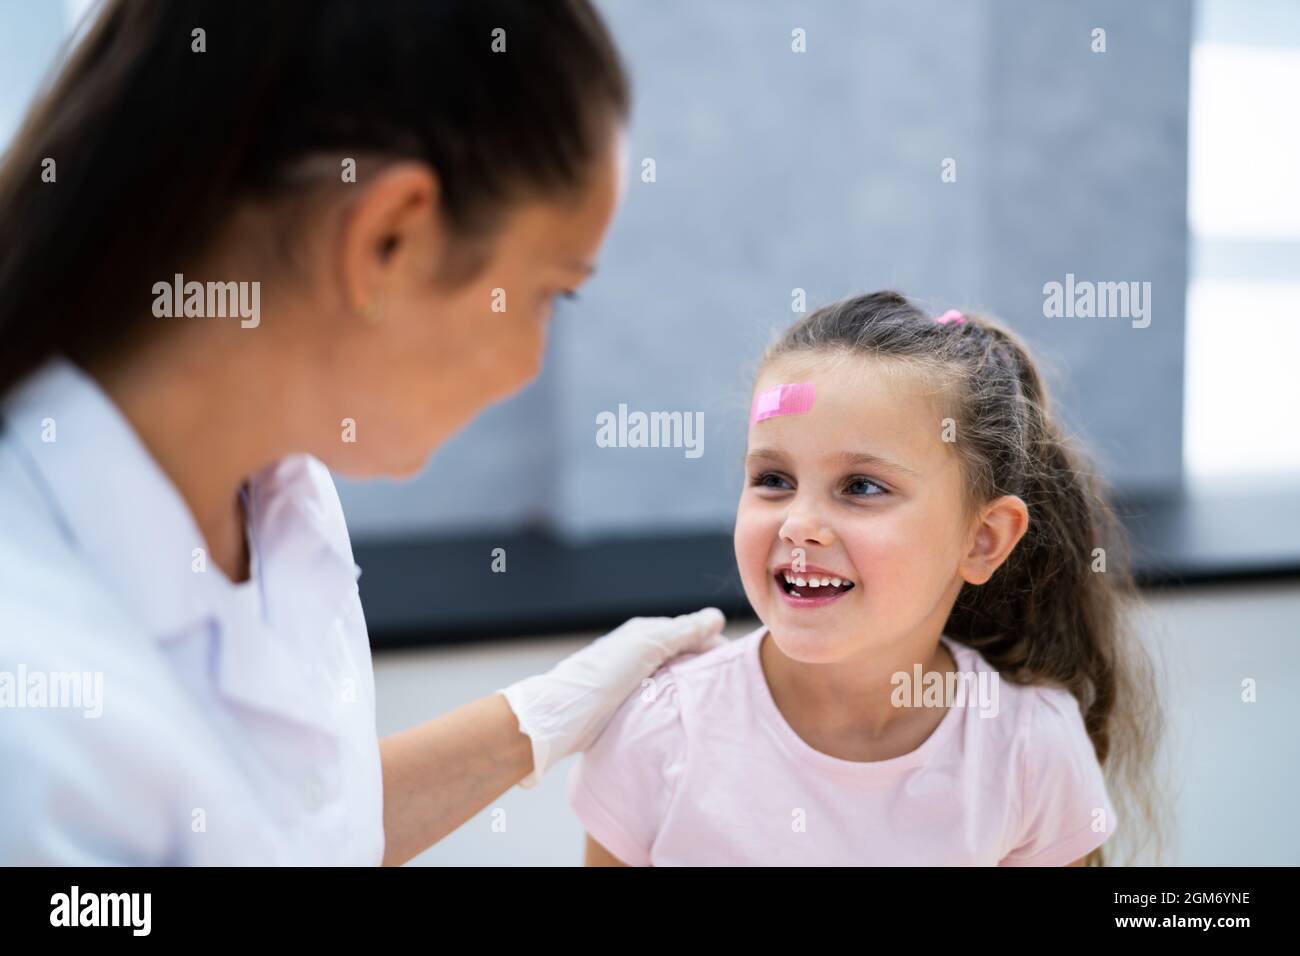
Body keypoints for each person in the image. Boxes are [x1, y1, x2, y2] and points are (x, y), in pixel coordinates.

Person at [0, 0, 725, 865]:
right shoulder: (34, 703)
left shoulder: (277, 496)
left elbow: (294, 833)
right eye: (549, 293)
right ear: (389, 240)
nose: (533, 363)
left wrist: (537, 719)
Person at [569, 291, 1167, 866]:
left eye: (862, 487)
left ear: (982, 539)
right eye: (773, 479)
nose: (800, 525)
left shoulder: (1030, 747)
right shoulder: (659, 725)